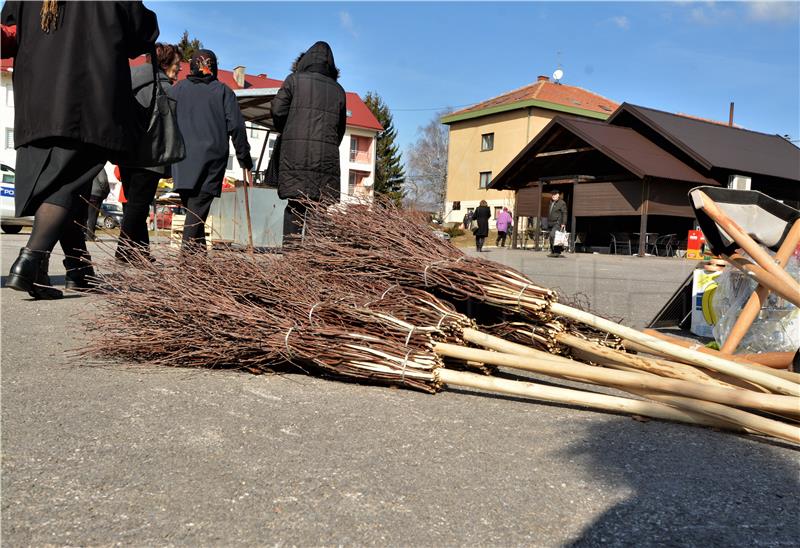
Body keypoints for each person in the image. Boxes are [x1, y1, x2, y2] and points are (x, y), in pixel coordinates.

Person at [2, 1, 158, 299]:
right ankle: (30, 261)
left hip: (36, 97)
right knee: (66, 185)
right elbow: (142, 34)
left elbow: (10, 26)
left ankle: (78, 269)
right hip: (89, 98)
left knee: (63, 185)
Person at [169, 49, 251, 251]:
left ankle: (200, 266)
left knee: (195, 212)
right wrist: (245, 159)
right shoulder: (223, 92)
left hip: (182, 161)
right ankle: (186, 264)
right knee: (196, 214)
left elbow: (166, 122)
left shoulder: (177, 90)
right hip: (211, 162)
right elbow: (237, 127)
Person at [271, 41, 347, 245]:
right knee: (318, 210)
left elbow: (277, 111)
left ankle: (290, 260)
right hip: (325, 162)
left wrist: (288, 131)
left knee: (295, 207)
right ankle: (313, 264)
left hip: (295, 157)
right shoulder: (338, 91)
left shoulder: (293, 81)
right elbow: (340, 130)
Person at [117, 42, 182, 262]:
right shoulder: (168, 89)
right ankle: (123, 250)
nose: (179, 68)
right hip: (151, 155)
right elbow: (169, 130)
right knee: (138, 205)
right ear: (165, 63)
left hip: (126, 152)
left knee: (135, 205)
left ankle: (142, 252)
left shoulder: (128, 79)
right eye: (177, 64)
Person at [85, 169, 111, 241]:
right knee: (92, 216)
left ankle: (82, 234)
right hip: (95, 194)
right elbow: (103, 180)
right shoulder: (100, 167)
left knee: (84, 215)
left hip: (85, 193)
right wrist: (106, 192)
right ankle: (90, 236)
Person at [547, 189, 568, 257]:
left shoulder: (562, 203)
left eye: (555, 194)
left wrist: (563, 223)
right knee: (551, 237)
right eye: (552, 194)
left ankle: (557, 251)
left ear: (558, 195)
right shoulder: (551, 202)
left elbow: (564, 213)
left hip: (557, 223)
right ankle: (553, 251)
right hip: (550, 223)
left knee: (553, 235)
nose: (553, 196)